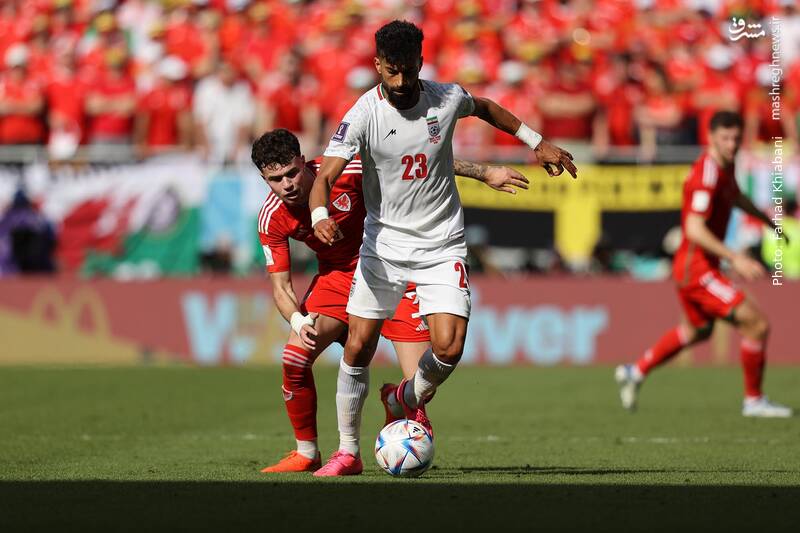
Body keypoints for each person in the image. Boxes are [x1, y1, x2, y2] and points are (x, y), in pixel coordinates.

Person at [308, 20, 577, 477]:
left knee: (449, 347)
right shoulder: (363, 114)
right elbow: (325, 176)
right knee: (358, 345)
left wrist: (536, 142)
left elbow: (486, 107)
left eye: (408, 69)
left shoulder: (446, 97)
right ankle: (348, 451)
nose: (401, 81)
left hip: (442, 243)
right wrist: (320, 215)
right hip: (384, 246)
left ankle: (401, 398)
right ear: (378, 65)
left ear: (420, 62)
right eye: (392, 70)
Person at [252, 129, 530, 474]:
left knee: (424, 386)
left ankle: (396, 398)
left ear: (303, 161)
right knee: (294, 357)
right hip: (338, 277)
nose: (287, 185)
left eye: (292, 173)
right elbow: (280, 287)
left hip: (392, 266)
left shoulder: (346, 170)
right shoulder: (272, 215)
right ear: (264, 179)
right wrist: (297, 320)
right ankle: (308, 452)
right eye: (275, 179)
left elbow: (420, 161)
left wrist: (484, 172)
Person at [615, 111, 792, 418]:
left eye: (736, 138)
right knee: (756, 324)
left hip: (695, 267)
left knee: (698, 330)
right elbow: (694, 229)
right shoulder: (705, 175)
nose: (732, 144)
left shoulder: (726, 165)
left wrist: (767, 221)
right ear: (710, 137)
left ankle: (636, 371)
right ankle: (754, 401)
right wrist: (735, 257)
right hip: (697, 270)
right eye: (725, 138)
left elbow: (736, 196)